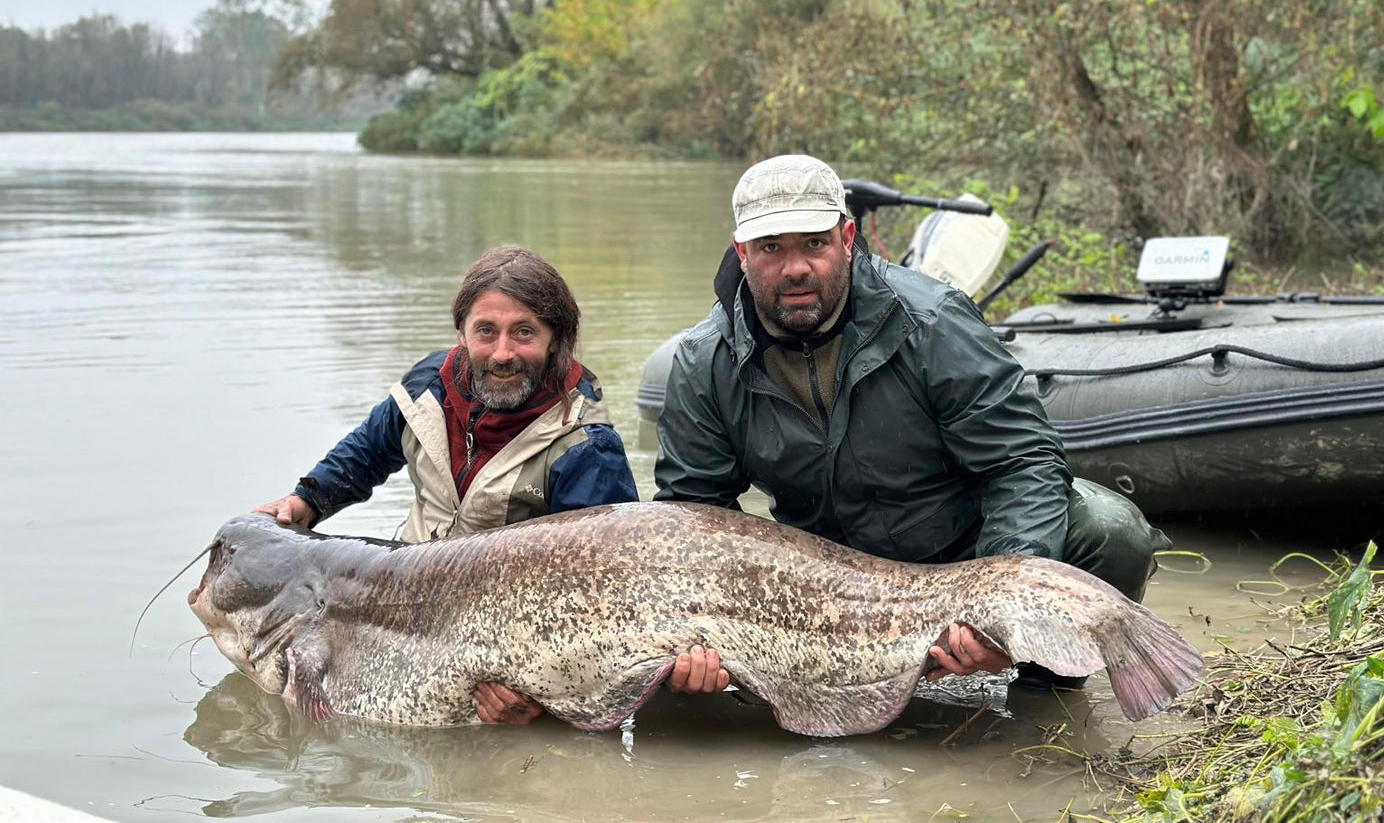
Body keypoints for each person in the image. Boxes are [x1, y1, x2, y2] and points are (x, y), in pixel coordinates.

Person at [654, 154, 1169, 691]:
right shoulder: (702, 360)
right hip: (822, 587)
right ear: (742, 252)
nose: (795, 268)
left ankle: (1040, 691)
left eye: (814, 243)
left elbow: (1022, 464)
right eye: (770, 248)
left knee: (1112, 532)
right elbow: (694, 520)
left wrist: (1001, 615)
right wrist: (695, 645)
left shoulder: (934, 321)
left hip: (964, 557)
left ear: (847, 238)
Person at [254, 245, 639, 724]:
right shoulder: (426, 386)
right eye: (486, 331)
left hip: (506, 639)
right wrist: (306, 501)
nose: (502, 354)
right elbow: (367, 452)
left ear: (555, 341)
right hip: (403, 598)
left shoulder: (587, 445)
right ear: (462, 332)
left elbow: (609, 600)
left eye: (524, 333)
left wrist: (543, 700)